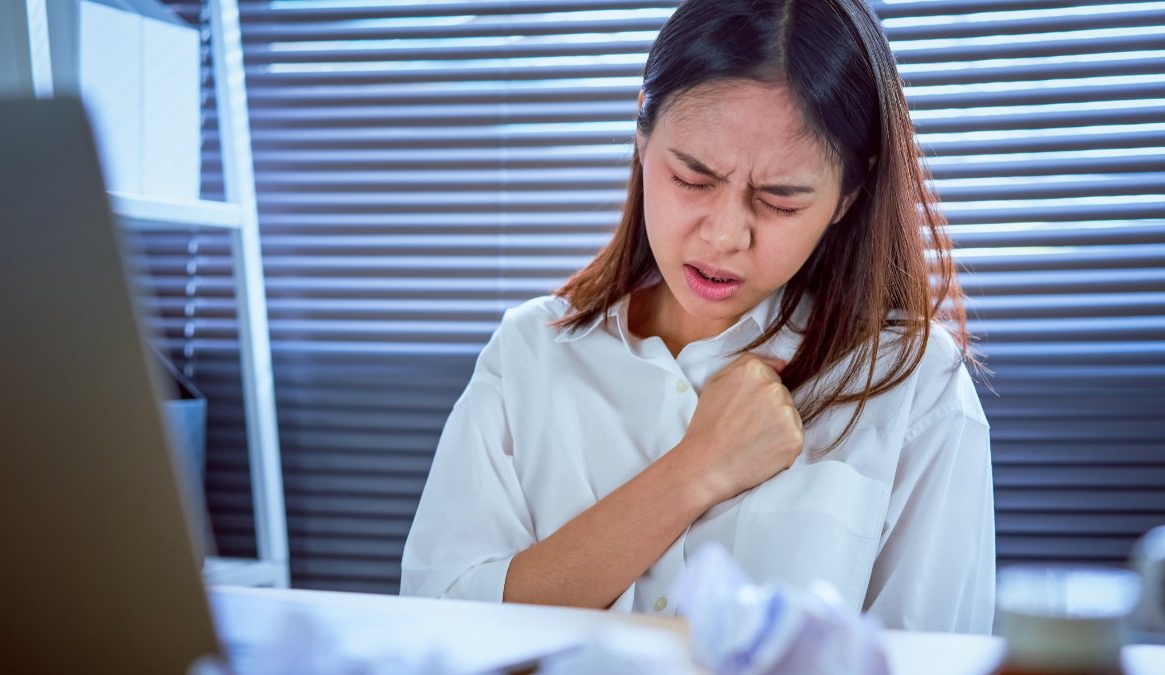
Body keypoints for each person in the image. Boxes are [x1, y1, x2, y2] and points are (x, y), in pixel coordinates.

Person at [400, 0, 995, 634]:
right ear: (642, 135)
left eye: (780, 202)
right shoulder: (529, 353)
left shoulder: (916, 387)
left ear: (848, 194)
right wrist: (697, 468)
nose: (725, 235)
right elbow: (438, 623)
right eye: (692, 177)